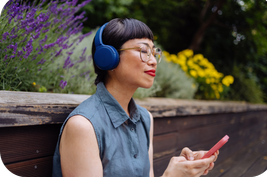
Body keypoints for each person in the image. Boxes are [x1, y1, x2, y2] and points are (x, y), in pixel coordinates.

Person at [52, 18, 219, 177]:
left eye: (154, 52)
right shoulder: (83, 127)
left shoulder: (145, 119)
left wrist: (183, 170)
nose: (153, 60)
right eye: (144, 51)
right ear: (108, 58)